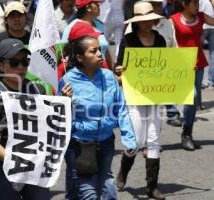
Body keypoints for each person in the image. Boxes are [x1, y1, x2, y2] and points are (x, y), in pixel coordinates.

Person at [59, 21, 137, 200]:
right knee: (89, 194)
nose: (99, 54)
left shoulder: (109, 77)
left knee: (105, 189)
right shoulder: (68, 81)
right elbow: (59, 117)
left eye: (99, 49)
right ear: (80, 57)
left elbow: (121, 108)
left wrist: (129, 139)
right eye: (93, 51)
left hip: (106, 143)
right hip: (80, 146)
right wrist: (64, 100)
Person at [0, 38, 51, 200]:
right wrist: (15, 161)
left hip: (34, 164)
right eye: (14, 62)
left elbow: (50, 124)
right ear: (1, 65)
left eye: (25, 62)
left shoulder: (37, 89)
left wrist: (65, 102)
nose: (20, 67)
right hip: (2, 166)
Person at [115, 2, 166, 199]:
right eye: (143, 21)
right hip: (134, 96)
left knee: (153, 140)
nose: (147, 23)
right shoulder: (128, 40)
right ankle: (123, 171)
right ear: (136, 22)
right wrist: (119, 73)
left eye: (150, 20)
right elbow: (119, 68)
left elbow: (167, 66)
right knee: (135, 141)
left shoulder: (160, 39)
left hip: (154, 95)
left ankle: (152, 186)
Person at [170, 0, 214, 151]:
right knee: (192, 96)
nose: (197, 6)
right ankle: (184, 129)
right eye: (194, 3)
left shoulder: (201, 17)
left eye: (198, 3)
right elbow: (168, 40)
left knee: (193, 103)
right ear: (184, 4)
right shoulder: (173, 19)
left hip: (199, 63)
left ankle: (187, 134)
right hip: (182, 65)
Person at [61, 0, 113, 69]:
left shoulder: (100, 25)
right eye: (96, 3)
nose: (99, 6)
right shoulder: (72, 27)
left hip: (103, 73)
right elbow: (63, 53)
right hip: (84, 75)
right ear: (88, 8)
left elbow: (106, 51)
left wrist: (111, 72)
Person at [0, 1, 31, 73]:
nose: (16, 19)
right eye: (12, 16)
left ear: (26, 17)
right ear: (5, 20)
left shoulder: (35, 40)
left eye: (20, 15)